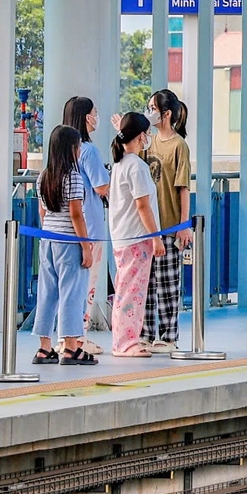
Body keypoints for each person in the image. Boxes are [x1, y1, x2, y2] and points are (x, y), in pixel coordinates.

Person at [33, 125, 96, 365]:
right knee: (72, 293)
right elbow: (76, 215)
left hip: (48, 240)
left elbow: (42, 211)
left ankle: (44, 347)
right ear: (72, 148)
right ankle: (70, 347)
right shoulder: (73, 177)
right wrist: (86, 246)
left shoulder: (44, 176)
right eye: (78, 146)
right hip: (69, 242)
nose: (80, 150)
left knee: (47, 293)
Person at [107, 112, 162, 357]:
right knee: (132, 292)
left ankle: (124, 340)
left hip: (122, 237)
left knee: (125, 289)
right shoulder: (136, 166)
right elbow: (143, 205)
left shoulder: (120, 163)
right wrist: (156, 237)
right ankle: (126, 343)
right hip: (137, 238)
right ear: (142, 136)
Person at [143, 89, 192, 353]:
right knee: (148, 283)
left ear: (167, 113)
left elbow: (183, 188)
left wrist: (184, 225)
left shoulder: (178, 146)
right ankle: (147, 333)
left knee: (168, 284)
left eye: (153, 107)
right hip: (148, 227)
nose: (149, 111)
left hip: (170, 225)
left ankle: (169, 335)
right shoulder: (146, 143)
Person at [61, 96, 111, 347]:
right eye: (94, 112)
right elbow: (102, 187)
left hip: (63, 229)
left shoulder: (60, 151)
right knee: (86, 287)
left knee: (68, 288)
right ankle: (78, 338)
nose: (96, 117)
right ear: (85, 117)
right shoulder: (88, 151)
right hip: (89, 226)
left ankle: (65, 337)